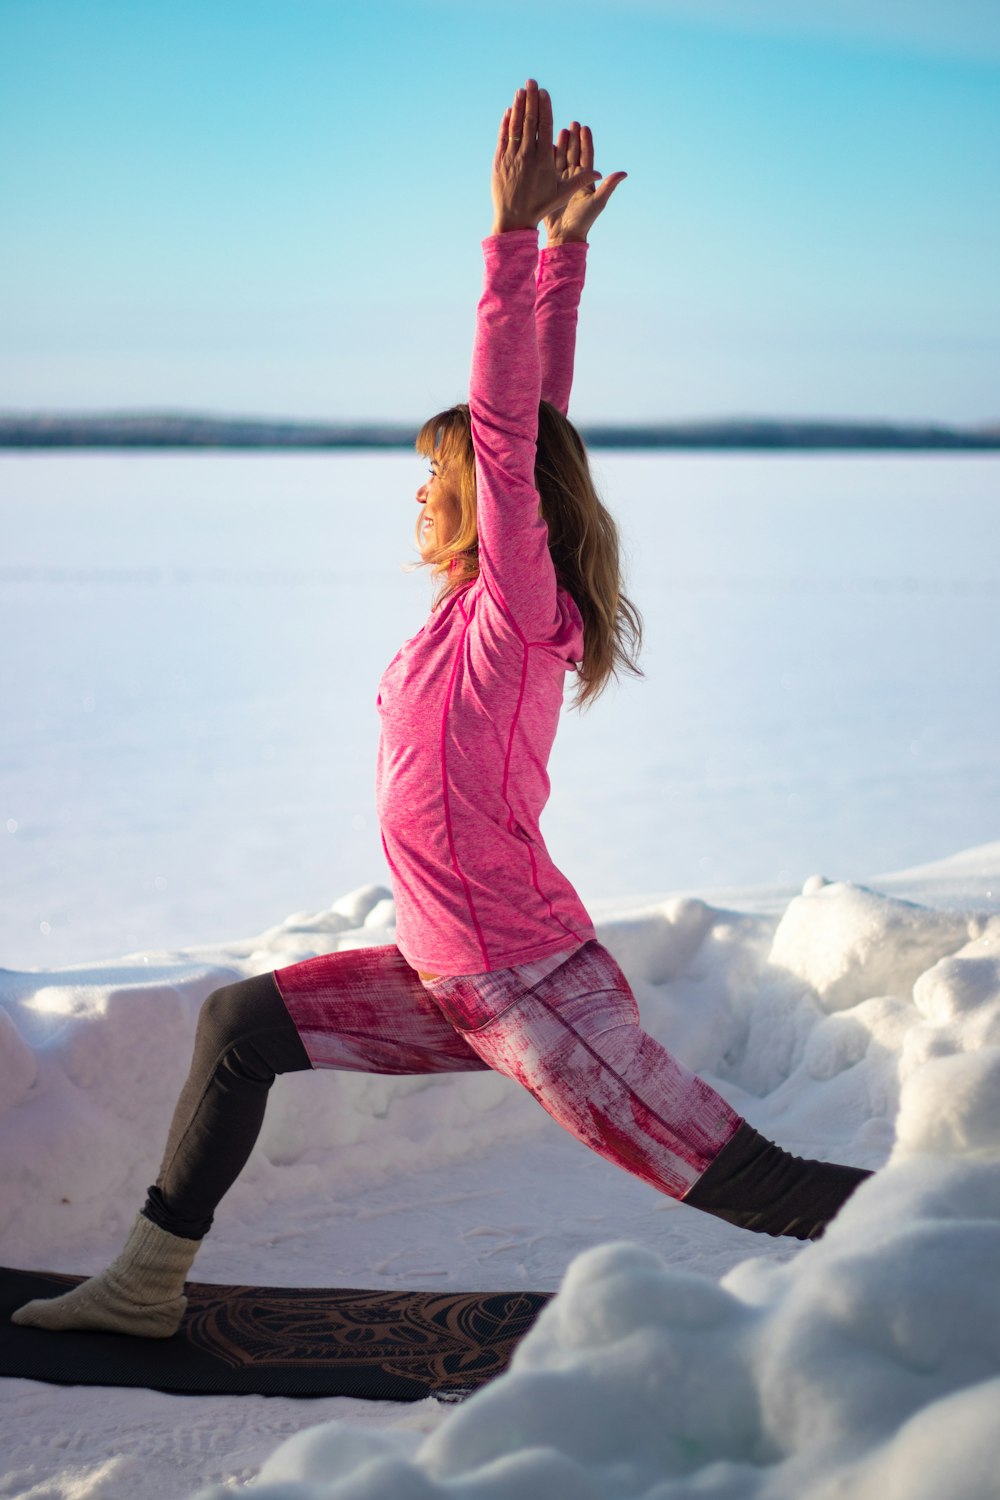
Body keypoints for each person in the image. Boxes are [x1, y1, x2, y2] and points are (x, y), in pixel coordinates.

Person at [13, 80, 870, 1340]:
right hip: (439, 975)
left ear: (490, 492)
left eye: (434, 475)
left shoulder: (516, 616)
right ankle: (144, 1284)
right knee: (242, 1023)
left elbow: (520, 436)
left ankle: (949, 1261)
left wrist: (511, 244)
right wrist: (566, 259)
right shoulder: (465, 610)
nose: (416, 495)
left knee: (756, 1186)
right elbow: (540, 428)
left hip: (528, 986)